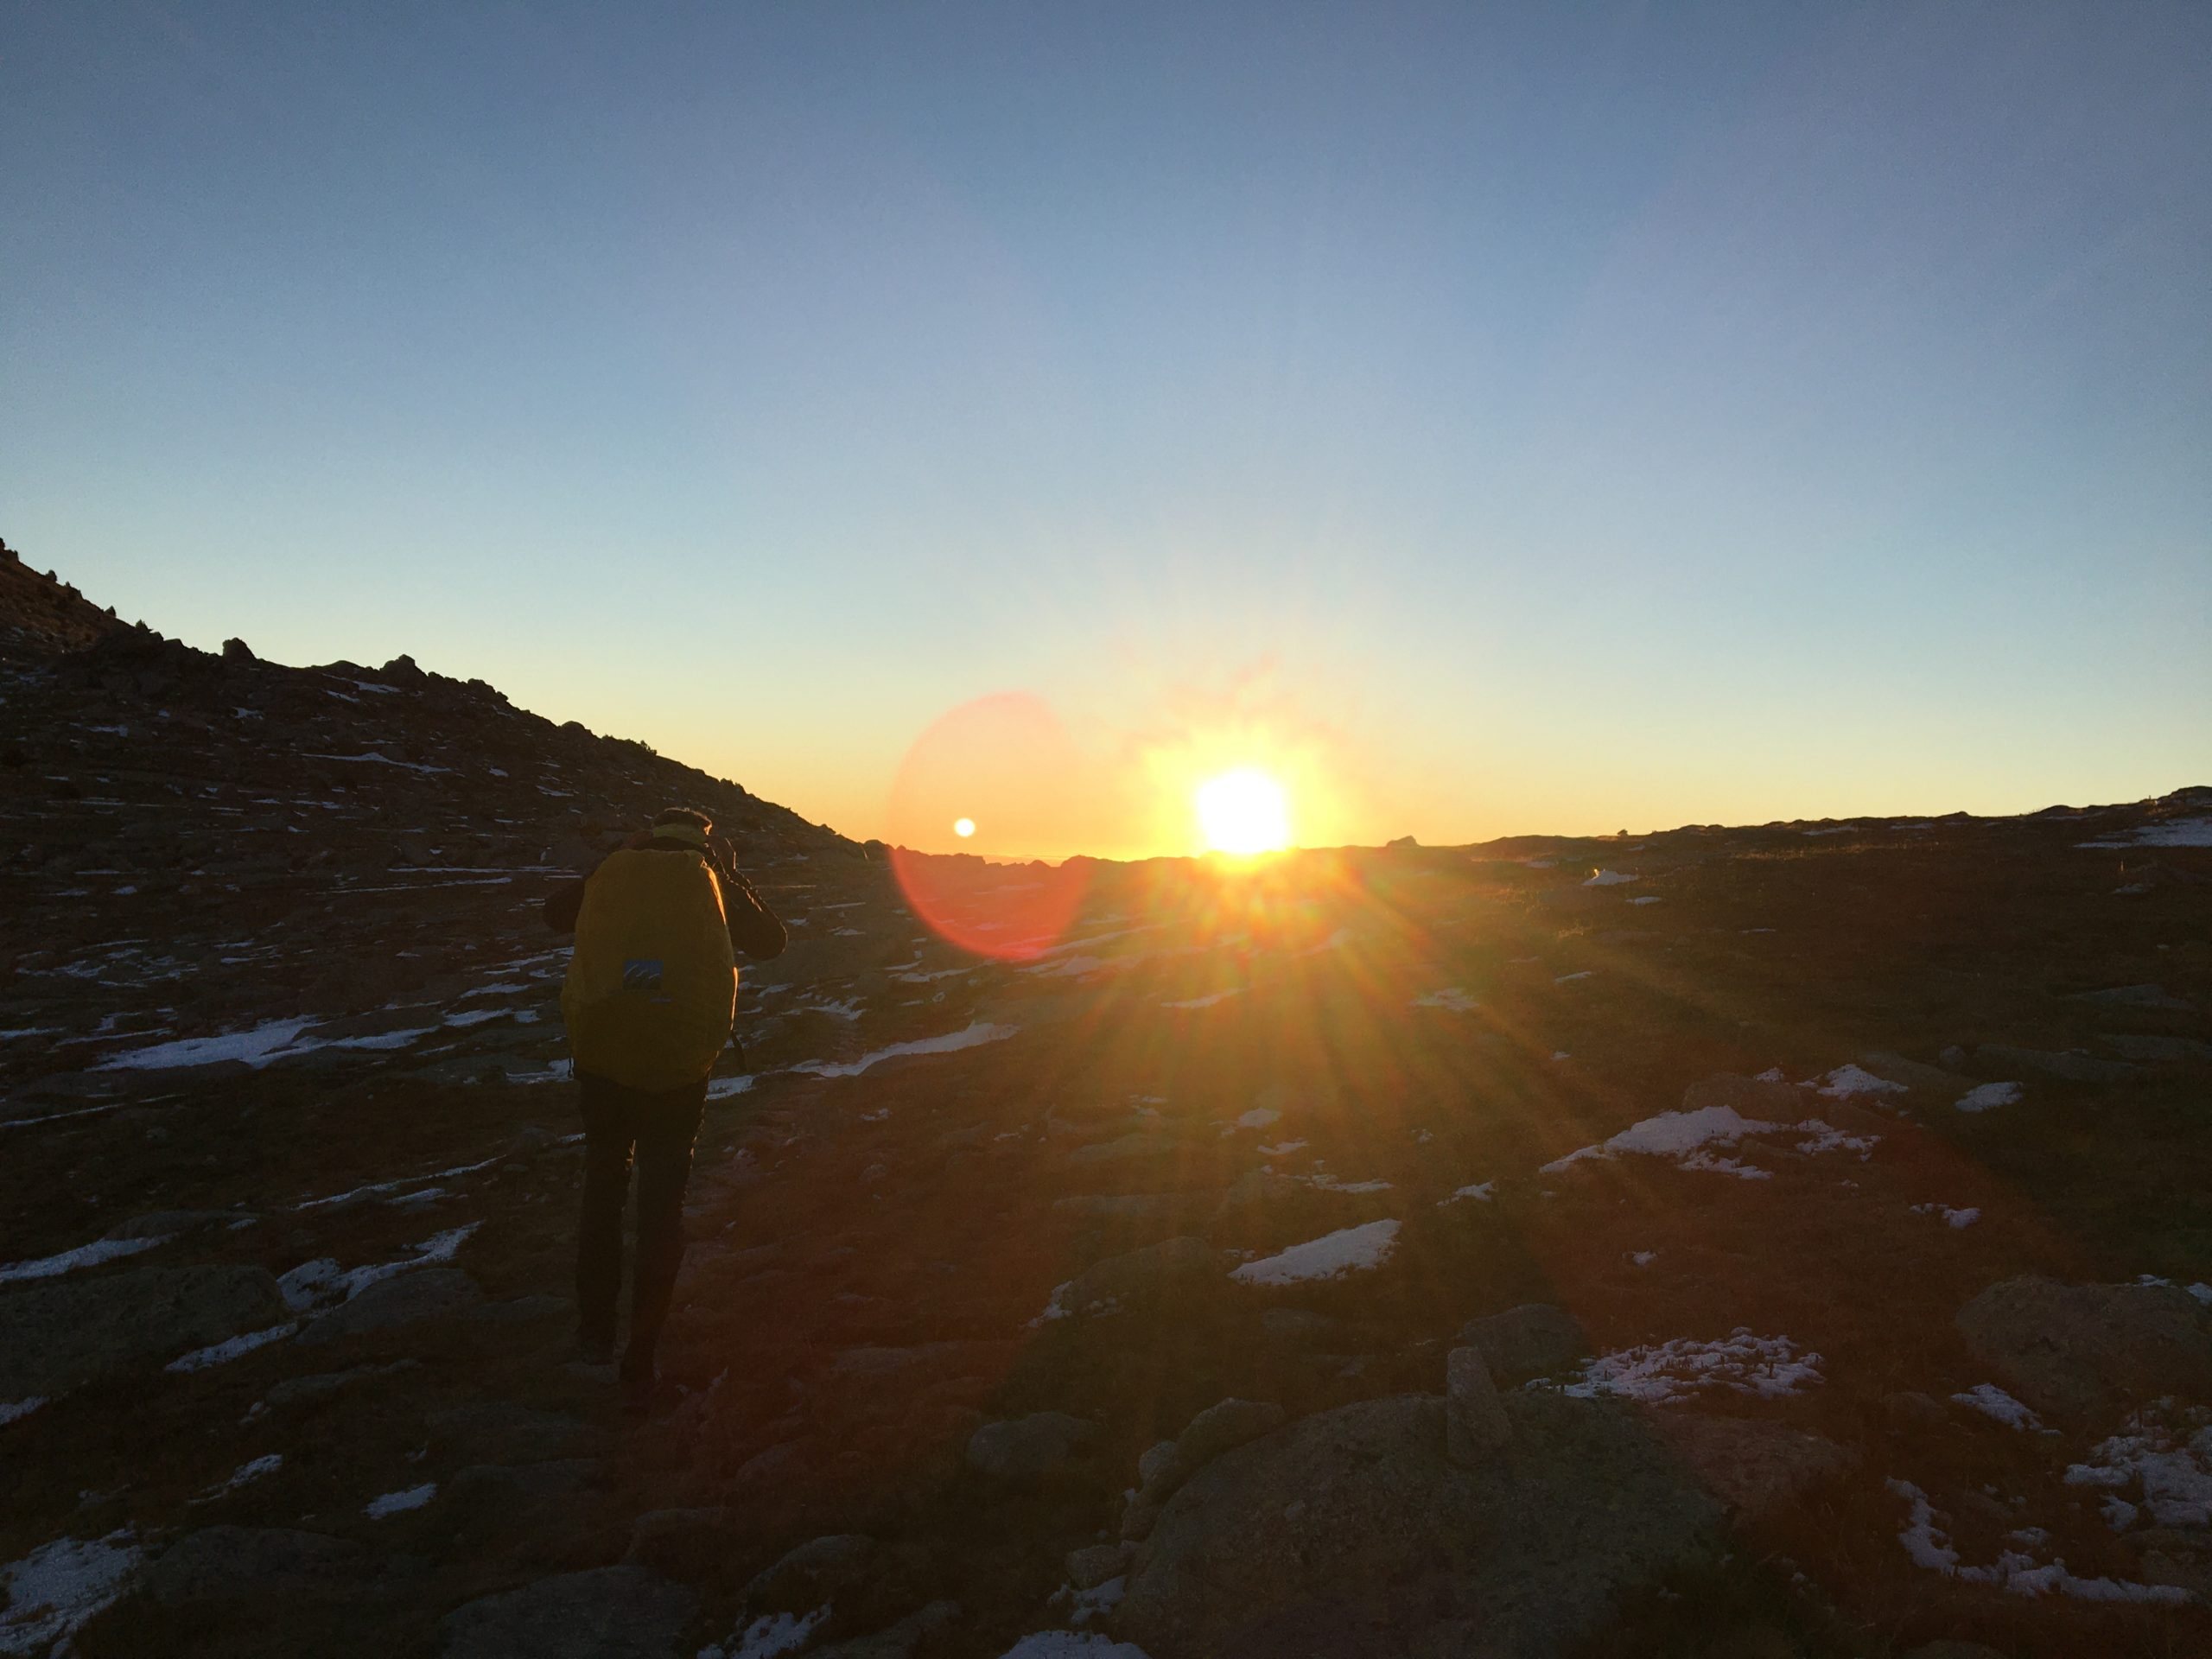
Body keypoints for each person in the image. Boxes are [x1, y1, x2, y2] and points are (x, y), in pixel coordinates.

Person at [543, 805, 785, 1405]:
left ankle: (593, 1337)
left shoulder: (619, 865)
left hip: (604, 1057)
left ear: (652, 828)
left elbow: (554, 917)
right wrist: (733, 874)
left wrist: (610, 860)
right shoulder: (711, 871)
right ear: (705, 832)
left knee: (603, 1190)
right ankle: (642, 1357)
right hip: (677, 1067)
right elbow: (772, 944)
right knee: (661, 1207)